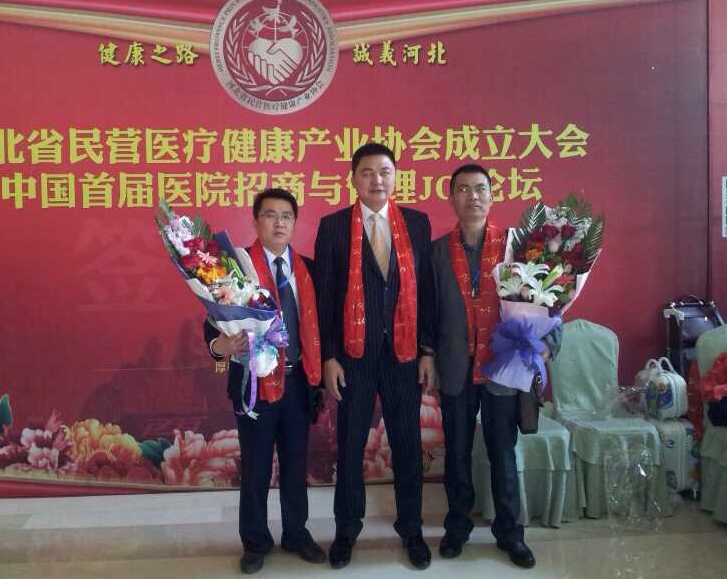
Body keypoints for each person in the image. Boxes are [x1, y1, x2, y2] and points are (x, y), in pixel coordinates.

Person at [427, 163, 561, 570]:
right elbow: (427, 310)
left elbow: (550, 299)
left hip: (505, 365)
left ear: (492, 195)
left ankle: (510, 533)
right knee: (457, 452)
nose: (473, 196)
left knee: (503, 452)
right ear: (451, 198)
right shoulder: (436, 251)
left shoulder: (517, 247)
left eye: (480, 188)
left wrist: (547, 346)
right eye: (463, 189)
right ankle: (457, 526)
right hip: (455, 365)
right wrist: (427, 353)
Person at [314, 143, 435, 570]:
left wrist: (427, 351)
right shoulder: (333, 227)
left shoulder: (417, 223)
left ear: (395, 176)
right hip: (353, 357)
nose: (376, 180)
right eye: (367, 172)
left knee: (407, 445)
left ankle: (412, 530)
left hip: (404, 356)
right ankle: (346, 531)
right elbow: (325, 298)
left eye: (384, 171)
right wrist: (329, 357)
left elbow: (427, 292)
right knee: (350, 447)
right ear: (353, 179)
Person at [204, 188, 325, 575]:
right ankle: (255, 541)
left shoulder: (308, 269)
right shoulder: (238, 268)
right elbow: (212, 323)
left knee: (295, 464)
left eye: (286, 216)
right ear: (255, 221)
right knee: (255, 467)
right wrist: (221, 345)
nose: (279, 223)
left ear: (295, 223)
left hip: (299, 383)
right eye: (270, 215)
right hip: (254, 384)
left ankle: (296, 534)